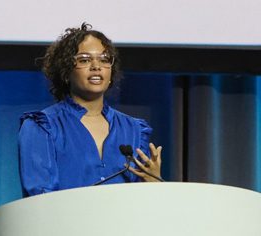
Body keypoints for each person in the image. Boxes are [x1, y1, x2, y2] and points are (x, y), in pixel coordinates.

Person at [18, 23, 162, 197]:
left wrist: (153, 183)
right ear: (65, 72)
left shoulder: (134, 130)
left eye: (104, 59)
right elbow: (40, 198)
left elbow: (144, 201)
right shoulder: (42, 126)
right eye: (84, 60)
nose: (96, 66)